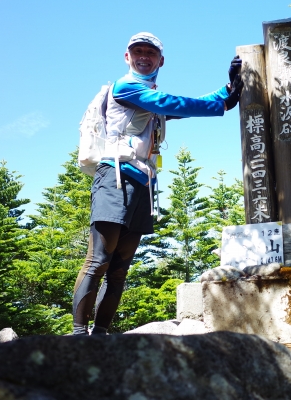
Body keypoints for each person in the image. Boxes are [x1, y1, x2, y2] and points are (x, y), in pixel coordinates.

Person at [72, 32, 242, 336]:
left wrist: (227, 90)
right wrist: (224, 104)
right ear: (127, 57)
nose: (143, 57)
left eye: (150, 53)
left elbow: (183, 105)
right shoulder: (125, 87)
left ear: (160, 60)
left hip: (143, 184)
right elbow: (168, 102)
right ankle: (76, 335)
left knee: (120, 269)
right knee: (99, 259)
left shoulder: (153, 99)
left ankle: (100, 334)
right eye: (137, 52)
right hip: (115, 177)